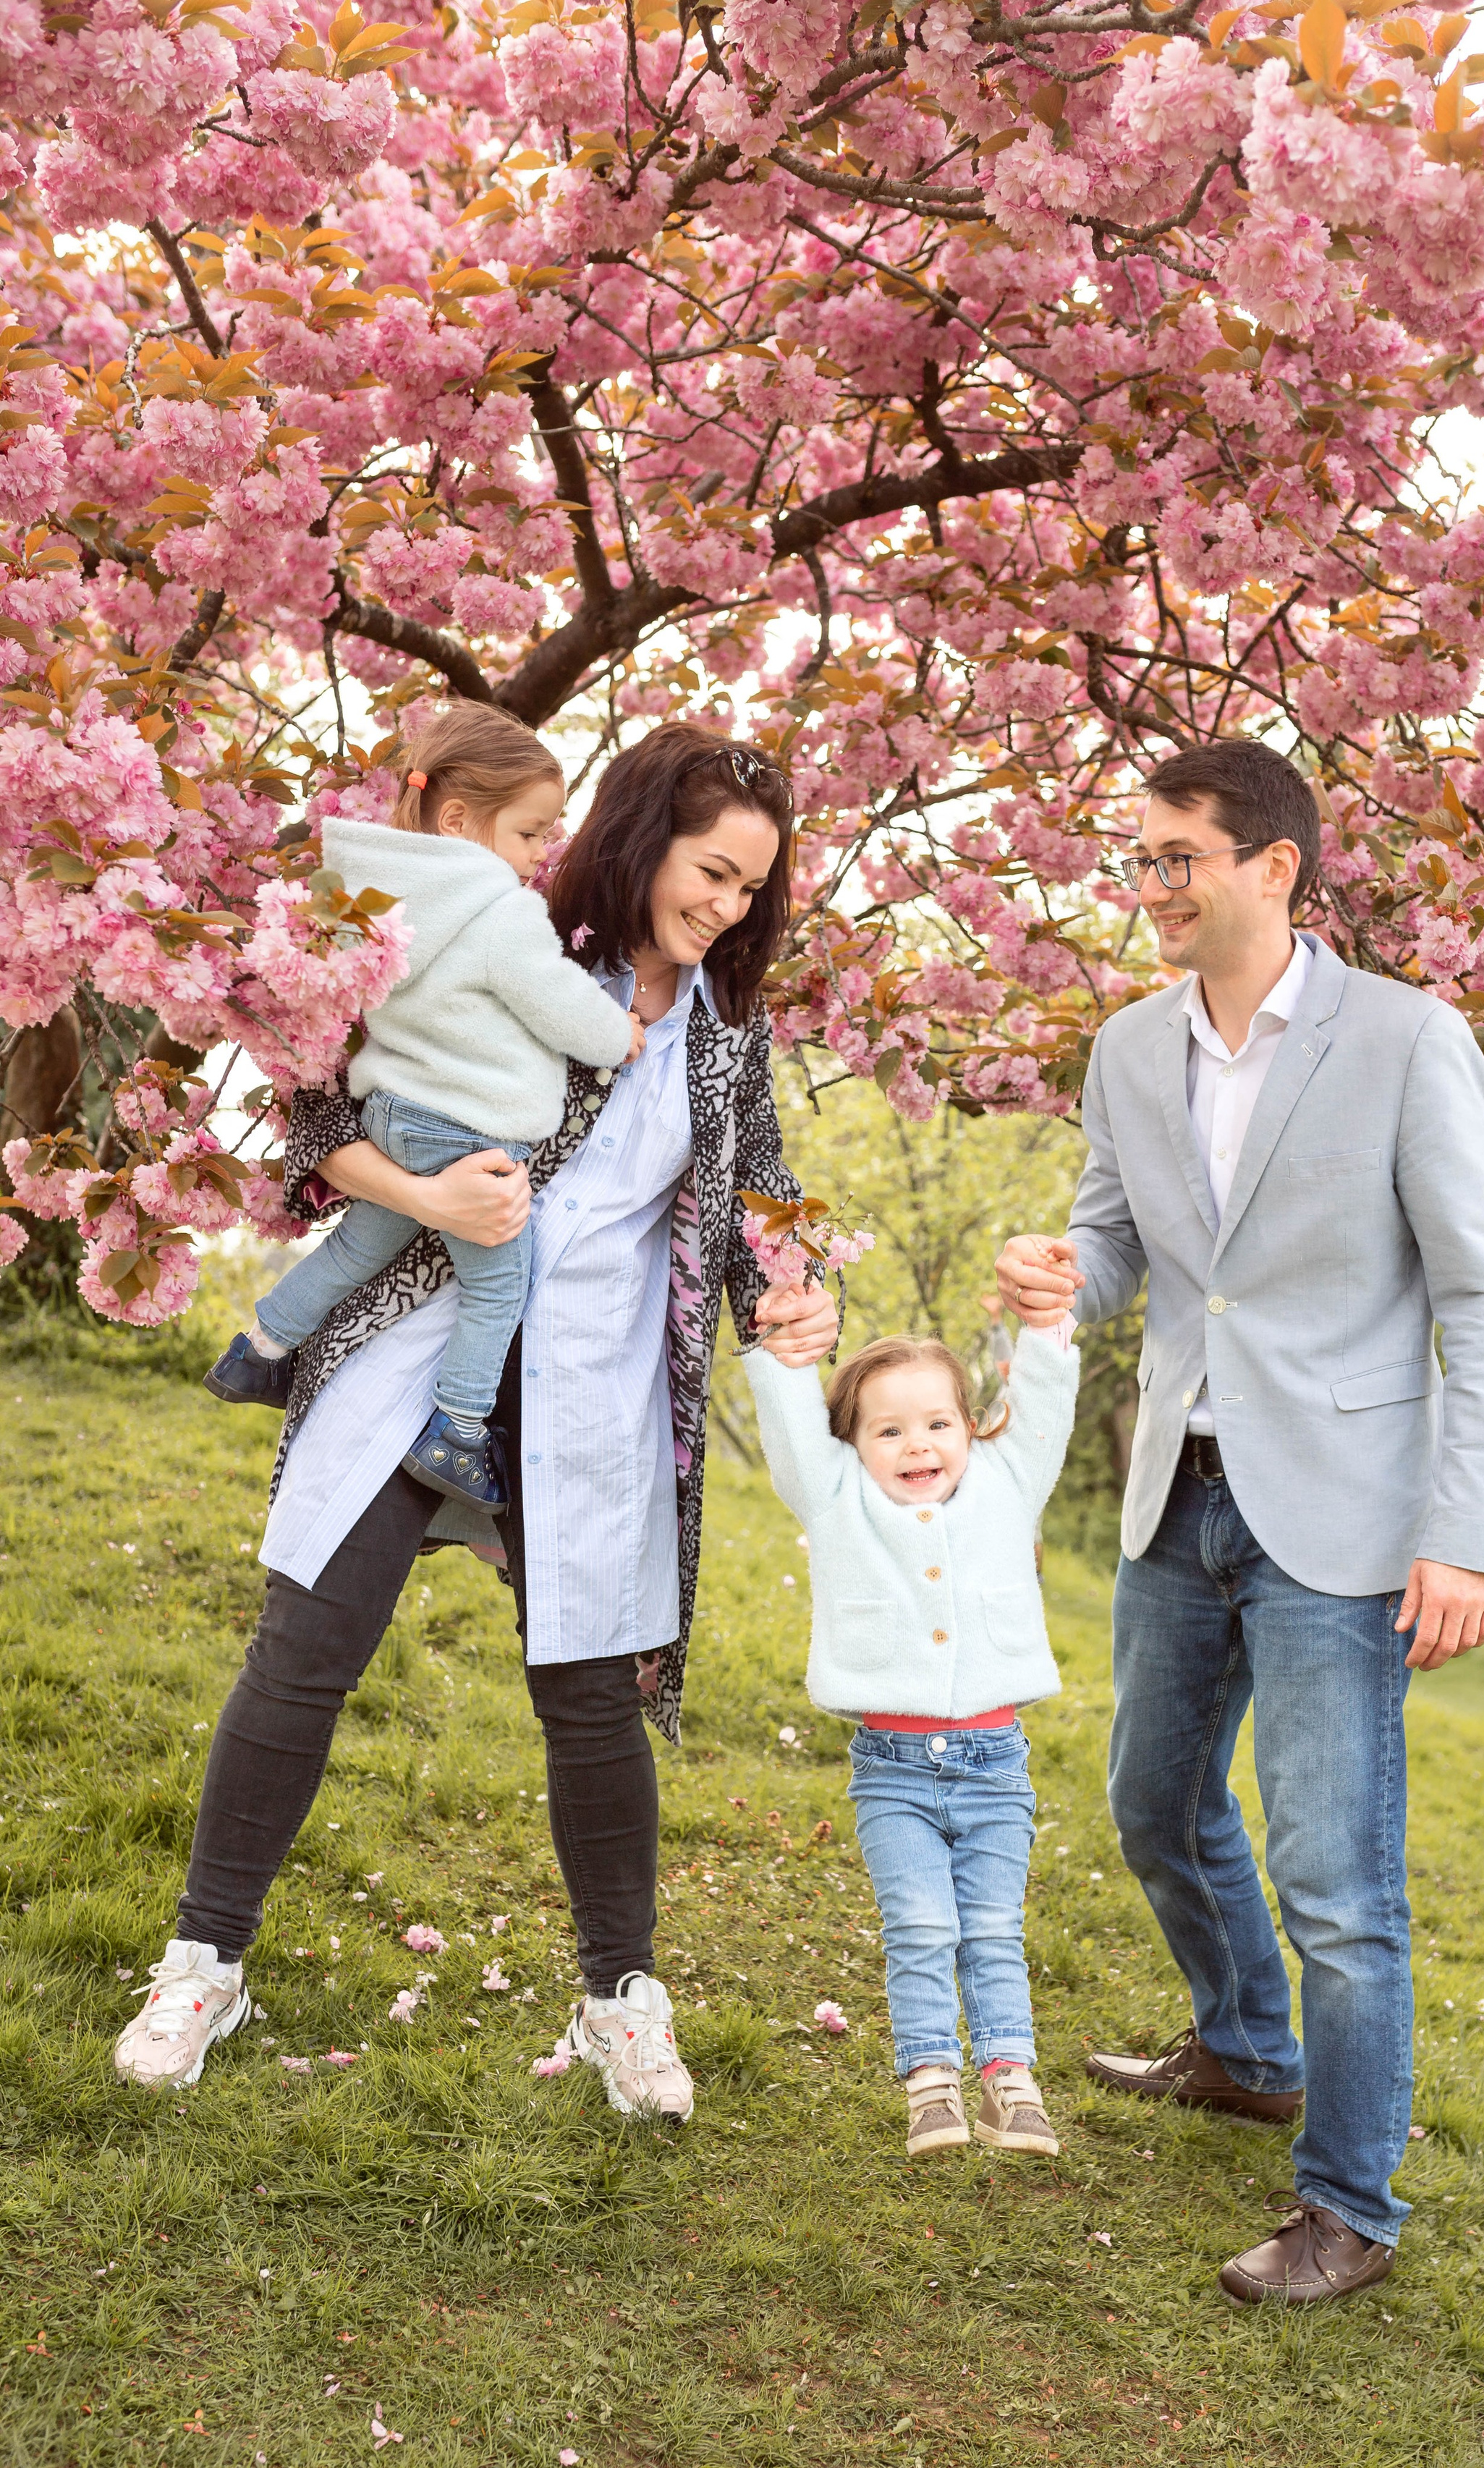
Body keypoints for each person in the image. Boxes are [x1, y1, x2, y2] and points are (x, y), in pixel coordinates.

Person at [112, 722, 839, 2121]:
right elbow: (317, 1106)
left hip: (592, 1392)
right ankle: (204, 1960)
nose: (727, 908)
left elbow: (765, 1195)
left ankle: (621, 1996)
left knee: (588, 1699)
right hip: (420, 1343)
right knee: (306, 1645)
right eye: (711, 872)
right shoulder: (501, 936)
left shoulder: (727, 1038)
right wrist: (431, 1198)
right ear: (640, 840)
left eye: (752, 890)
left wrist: (799, 1290)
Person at [994, 737, 1484, 2305]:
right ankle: (1242, 2052)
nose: (1149, 884)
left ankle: (1346, 2207)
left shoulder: (1404, 1040)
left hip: (1346, 1520)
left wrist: (1468, 1534)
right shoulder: (1123, 1048)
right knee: (1153, 1806)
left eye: (1177, 857)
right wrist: (1057, 1276)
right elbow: (1116, 1248)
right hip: (1180, 1492)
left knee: (1338, 1887)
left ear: (1273, 867)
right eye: (1139, 857)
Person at [204, 707, 643, 1514]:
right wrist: (618, 1034)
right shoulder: (499, 911)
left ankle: (257, 1350)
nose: (541, 854)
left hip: (395, 1118)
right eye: (529, 833)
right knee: (497, 1289)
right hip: (467, 1136)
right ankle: (459, 1431)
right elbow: (554, 1002)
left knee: (354, 1252)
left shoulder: (378, 905)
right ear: (457, 820)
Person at [744, 1325, 1078, 2158]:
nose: (915, 1445)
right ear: (852, 1443)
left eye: (937, 1423)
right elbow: (789, 1430)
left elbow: (1043, 1406)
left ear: (972, 1427)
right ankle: (931, 2081)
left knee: (993, 1926)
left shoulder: (1007, 1485)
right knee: (923, 1925)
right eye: (886, 1430)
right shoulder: (835, 1498)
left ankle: (1010, 2079)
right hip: (892, 1770)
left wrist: (1044, 1329)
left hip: (995, 1762)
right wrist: (783, 1342)